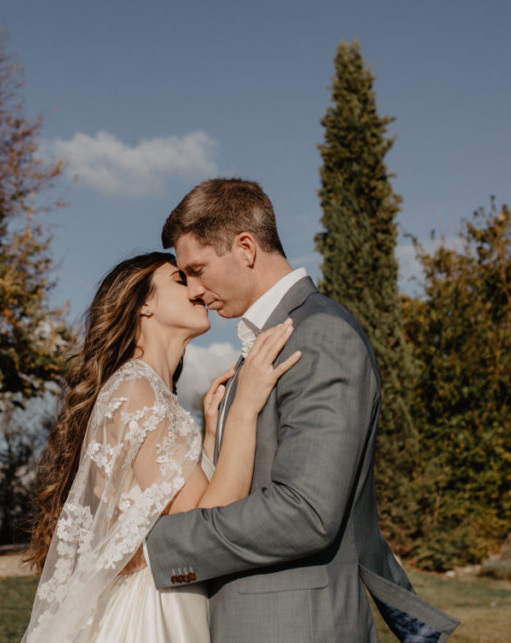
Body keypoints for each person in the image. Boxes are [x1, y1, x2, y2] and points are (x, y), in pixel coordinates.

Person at [144, 178, 460, 641]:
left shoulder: (319, 335)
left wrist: (158, 549)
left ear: (246, 248)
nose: (193, 289)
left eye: (198, 269)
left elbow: (306, 511)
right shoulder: (272, 340)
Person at [22, 251, 302, 642]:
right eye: (179, 278)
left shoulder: (148, 390)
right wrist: (244, 408)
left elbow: (171, 502)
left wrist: (206, 439)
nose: (197, 288)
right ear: (144, 306)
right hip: (154, 612)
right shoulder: (137, 389)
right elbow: (204, 523)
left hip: (170, 593)